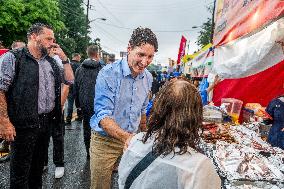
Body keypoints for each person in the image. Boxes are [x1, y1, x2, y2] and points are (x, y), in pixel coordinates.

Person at [0, 22, 73, 189]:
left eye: (53, 39)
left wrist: (64, 59)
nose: (53, 43)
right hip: (22, 125)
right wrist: (4, 121)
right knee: (20, 174)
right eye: (48, 38)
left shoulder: (52, 61)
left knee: (37, 170)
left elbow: (69, 80)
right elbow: (0, 89)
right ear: (34, 36)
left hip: (45, 123)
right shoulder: (14, 57)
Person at [118, 79, 221, 189]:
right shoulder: (198, 166)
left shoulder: (134, 141)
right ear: (196, 116)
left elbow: (122, 181)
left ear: (158, 108)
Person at [89, 27, 157, 189]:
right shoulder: (108, 74)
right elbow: (103, 116)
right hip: (104, 141)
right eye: (141, 54)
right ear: (129, 49)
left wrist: (144, 132)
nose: (145, 62)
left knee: (134, 182)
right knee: (100, 186)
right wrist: (127, 138)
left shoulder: (147, 77)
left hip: (133, 139)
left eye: (150, 57)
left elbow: (142, 110)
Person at [74, 45, 103, 159]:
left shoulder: (79, 69)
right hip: (100, 104)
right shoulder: (102, 69)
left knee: (87, 128)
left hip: (85, 103)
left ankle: (88, 153)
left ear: (88, 54)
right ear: (97, 54)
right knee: (100, 128)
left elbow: (76, 89)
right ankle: (98, 153)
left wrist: (78, 106)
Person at [66, 53, 82, 124]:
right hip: (78, 88)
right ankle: (80, 116)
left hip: (70, 87)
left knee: (70, 103)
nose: (80, 59)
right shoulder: (80, 66)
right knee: (79, 103)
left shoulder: (68, 65)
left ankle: (68, 119)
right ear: (77, 57)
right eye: (80, 57)